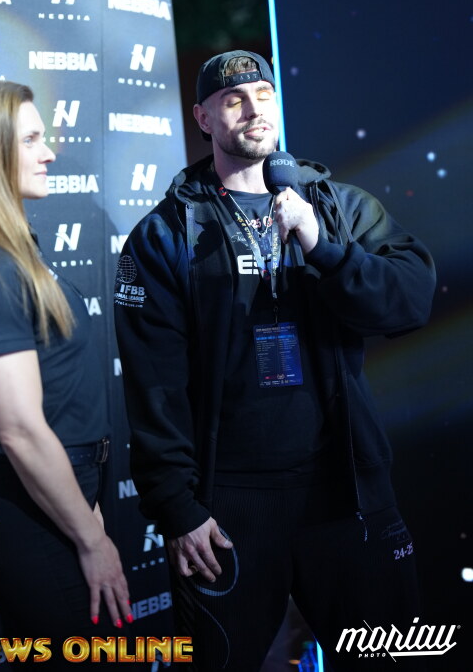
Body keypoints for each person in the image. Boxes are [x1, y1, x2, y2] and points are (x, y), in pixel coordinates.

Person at [114, 50, 436, 671]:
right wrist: (177, 507)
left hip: (344, 493)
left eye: (263, 94)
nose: (253, 109)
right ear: (203, 119)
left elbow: (410, 300)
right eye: (233, 99)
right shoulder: (167, 233)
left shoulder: (337, 208)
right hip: (230, 506)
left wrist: (323, 248)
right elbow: (154, 387)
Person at [0, 81, 131, 664]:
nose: (49, 153)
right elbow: (19, 429)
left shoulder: (16, 256)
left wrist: (90, 515)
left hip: (63, 500)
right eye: (32, 140)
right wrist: (91, 540)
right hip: (31, 518)